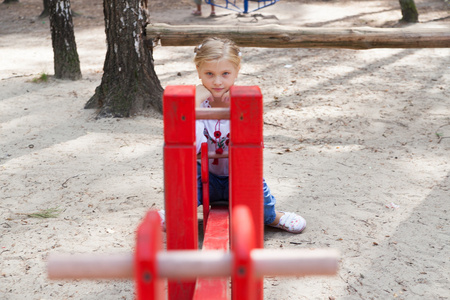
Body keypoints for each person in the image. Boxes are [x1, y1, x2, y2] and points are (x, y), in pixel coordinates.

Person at [160, 37, 306, 234]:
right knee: (183, 190)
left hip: (239, 175)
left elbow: (251, 149)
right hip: (204, 175)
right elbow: (191, 148)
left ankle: (274, 216)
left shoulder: (245, 102)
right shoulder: (194, 104)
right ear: (199, 72)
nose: (217, 81)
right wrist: (193, 106)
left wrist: (237, 110)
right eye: (209, 74)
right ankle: (173, 213)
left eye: (225, 73)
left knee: (259, 202)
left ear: (237, 72)